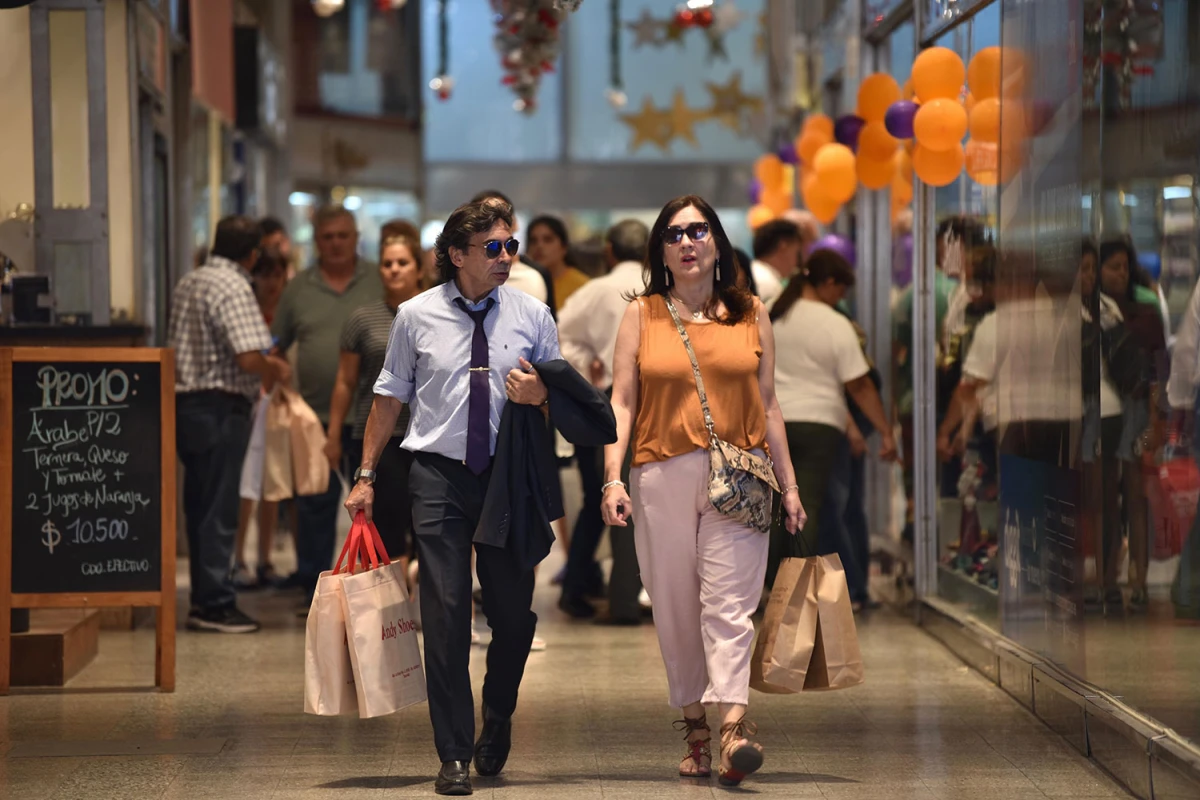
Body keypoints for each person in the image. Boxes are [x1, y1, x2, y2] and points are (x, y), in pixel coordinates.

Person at [345, 198, 559, 796]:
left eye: (510, 245)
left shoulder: (533, 314)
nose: (506, 256)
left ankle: (499, 715)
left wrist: (540, 390)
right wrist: (366, 474)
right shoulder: (415, 316)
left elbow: (557, 397)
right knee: (443, 613)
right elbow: (389, 397)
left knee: (513, 619)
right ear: (457, 255)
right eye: (493, 247)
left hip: (507, 479)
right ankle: (454, 752)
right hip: (437, 475)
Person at [600, 195, 805, 787]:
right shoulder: (641, 315)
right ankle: (695, 729)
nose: (687, 242)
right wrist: (613, 477)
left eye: (698, 230)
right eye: (674, 234)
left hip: (740, 475)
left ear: (717, 241)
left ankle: (735, 729)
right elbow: (621, 403)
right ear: (661, 250)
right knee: (674, 607)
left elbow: (769, 406)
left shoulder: (752, 313)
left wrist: (789, 486)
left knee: (731, 606)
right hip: (659, 474)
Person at [168, 216, 291, 633]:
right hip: (220, 407)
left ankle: (204, 598)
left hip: (186, 404)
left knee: (200, 504)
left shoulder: (191, 280)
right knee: (219, 509)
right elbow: (246, 355)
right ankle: (215, 603)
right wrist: (273, 366)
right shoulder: (234, 285)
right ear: (253, 253)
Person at [766, 249, 896, 591]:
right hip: (818, 425)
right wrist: (885, 431)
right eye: (840, 291)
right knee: (803, 506)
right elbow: (859, 385)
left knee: (777, 506)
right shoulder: (834, 324)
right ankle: (793, 589)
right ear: (827, 283)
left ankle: (771, 583)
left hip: (772, 423)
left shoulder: (771, 315)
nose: (840, 299)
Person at [272, 205, 381, 609]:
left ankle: (372, 591)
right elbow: (275, 343)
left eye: (343, 236)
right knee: (314, 507)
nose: (335, 243)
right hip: (313, 419)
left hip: (373, 418)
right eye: (327, 237)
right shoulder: (298, 288)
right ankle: (313, 590)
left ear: (355, 238)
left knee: (372, 509)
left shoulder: (378, 280)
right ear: (315, 241)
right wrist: (274, 366)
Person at [557, 219, 650, 622]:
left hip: (610, 403)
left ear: (609, 250)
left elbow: (557, 341)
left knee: (610, 499)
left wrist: (586, 373)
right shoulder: (665, 287)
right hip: (664, 402)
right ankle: (631, 598)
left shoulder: (593, 291)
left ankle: (613, 595)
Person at [325, 230, 426, 570]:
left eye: (402, 262)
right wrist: (334, 434)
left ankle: (434, 609)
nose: (394, 269)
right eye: (387, 263)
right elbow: (346, 380)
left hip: (427, 436)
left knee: (431, 529)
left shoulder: (434, 315)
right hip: (380, 437)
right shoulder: (362, 319)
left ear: (419, 268)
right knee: (386, 530)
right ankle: (391, 616)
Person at [232, 248, 291, 590]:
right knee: (246, 488)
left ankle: (265, 559)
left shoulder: (287, 315)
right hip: (251, 404)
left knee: (273, 486)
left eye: (276, 275)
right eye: (264, 275)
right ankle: (239, 558)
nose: (270, 283)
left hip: (278, 406)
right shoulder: (249, 314)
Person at [526, 215, 590, 310]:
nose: (539, 246)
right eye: (533, 241)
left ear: (564, 247)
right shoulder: (525, 283)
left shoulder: (583, 286)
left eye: (548, 240)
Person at [749, 220, 804, 308]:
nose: (798, 262)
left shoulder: (755, 272)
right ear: (783, 246)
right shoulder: (768, 285)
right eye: (797, 253)